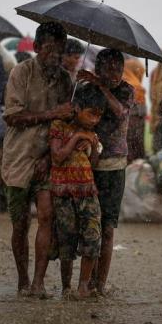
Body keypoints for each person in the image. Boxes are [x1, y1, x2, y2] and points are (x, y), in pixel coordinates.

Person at [2, 22, 73, 296]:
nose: (56, 55)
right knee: (20, 224)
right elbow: (12, 116)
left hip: (48, 160)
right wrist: (52, 113)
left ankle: (38, 282)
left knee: (47, 216)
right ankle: (23, 280)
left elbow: (67, 121)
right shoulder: (21, 73)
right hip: (18, 159)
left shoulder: (66, 80)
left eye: (61, 50)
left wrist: (48, 156)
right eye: (50, 49)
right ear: (37, 47)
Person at [77, 48, 134, 295]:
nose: (114, 74)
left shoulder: (126, 90)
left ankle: (99, 285)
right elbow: (75, 117)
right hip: (86, 166)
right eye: (108, 69)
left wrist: (102, 86)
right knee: (88, 226)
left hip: (113, 167)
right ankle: (83, 282)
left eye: (117, 69)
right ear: (98, 68)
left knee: (108, 228)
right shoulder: (84, 91)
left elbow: (120, 112)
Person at [49, 84, 105, 298]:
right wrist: (76, 138)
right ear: (77, 108)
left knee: (92, 237)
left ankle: (83, 285)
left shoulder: (92, 133)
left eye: (99, 116)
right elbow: (57, 157)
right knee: (67, 241)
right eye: (91, 113)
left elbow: (94, 163)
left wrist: (93, 145)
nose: (95, 120)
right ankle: (66, 287)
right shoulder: (59, 127)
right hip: (64, 194)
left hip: (88, 192)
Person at [122, 57, 146, 162]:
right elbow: (138, 113)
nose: (141, 73)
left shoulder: (122, 81)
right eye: (140, 71)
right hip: (132, 125)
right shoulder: (135, 86)